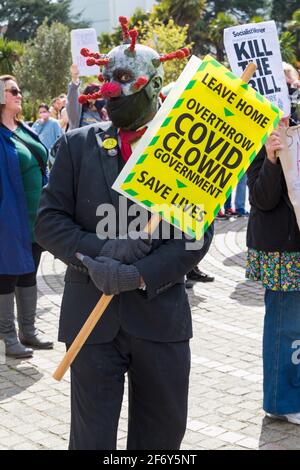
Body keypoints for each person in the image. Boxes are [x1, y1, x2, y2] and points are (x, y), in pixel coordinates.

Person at [35, 16, 214, 450]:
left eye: (124, 80)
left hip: (159, 319)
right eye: (107, 79)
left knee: (160, 440)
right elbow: (48, 222)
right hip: (90, 320)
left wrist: (137, 276)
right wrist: (101, 252)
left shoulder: (184, 150)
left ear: (154, 85)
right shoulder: (78, 145)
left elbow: (195, 239)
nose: (112, 90)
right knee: (90, 441)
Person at [246, 120, 300, 425]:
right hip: (281, 250)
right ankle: (282, 401)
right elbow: (261, 198)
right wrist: (271, 158)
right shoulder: (257, 141)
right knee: (286, 324)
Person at [0, 75, 53, 358]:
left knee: (29, 271)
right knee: (7, 274)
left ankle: (28, 331)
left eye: (19, 90)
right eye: (13, 91)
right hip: (9, 216)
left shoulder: (23, 128)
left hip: (34, 217)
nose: (20, 95)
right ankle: (9, 336)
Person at [67, 64, 108, 130]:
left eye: (102, 96)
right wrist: (74, 77)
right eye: (98, 96)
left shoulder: (104, 113)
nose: (102, 99)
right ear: (89, 99)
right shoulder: (78, 112)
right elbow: (72, 98)